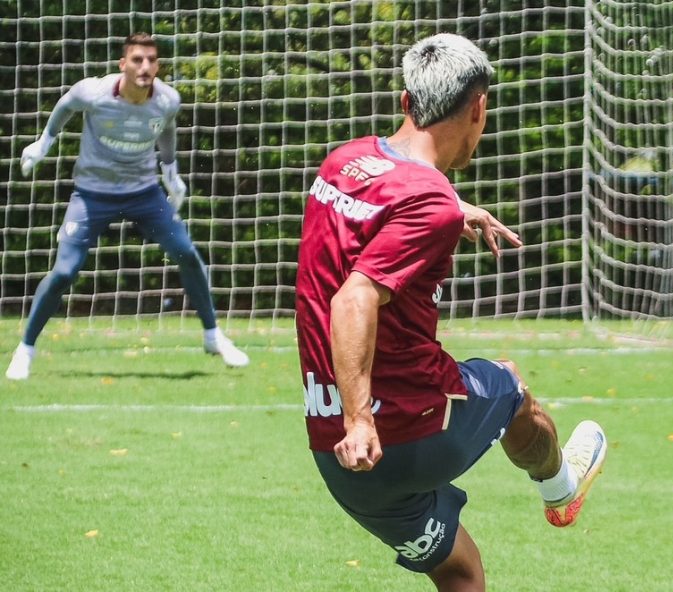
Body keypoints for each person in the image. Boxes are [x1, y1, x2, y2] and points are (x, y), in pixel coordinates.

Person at [295, 33, 607, 591]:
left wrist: (453, 208)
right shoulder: (429, 202)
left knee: (460, 569)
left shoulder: (343, 162)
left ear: (405, 103)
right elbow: (355, 297)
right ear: (479, 107)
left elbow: (381, 199)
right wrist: (363, 419)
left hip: (338, 454)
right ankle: (561, 489)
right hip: (405, 432)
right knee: (509, 384)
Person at [5, 33, 249, 380]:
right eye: (137, 59)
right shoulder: (93, 92)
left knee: (186, 252)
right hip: (92, 195)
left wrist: (170, 172)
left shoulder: (167, 100)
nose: (145, 66)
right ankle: (25, 349)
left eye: (151, 60)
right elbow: (65, 107)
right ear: (123, 64)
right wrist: (43, 143)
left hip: (144, 194)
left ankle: (213, 336)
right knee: (64, 272)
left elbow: (165, 129)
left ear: (157, 65)